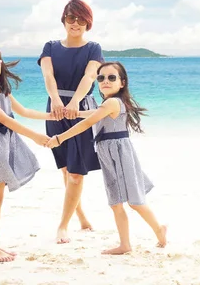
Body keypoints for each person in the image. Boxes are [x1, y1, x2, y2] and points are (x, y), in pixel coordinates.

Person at [47, 62, 167, 255]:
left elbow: (87, 123)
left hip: (118, 154)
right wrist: (70, 113)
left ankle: (158, 229)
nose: (105, 81)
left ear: (122, 82)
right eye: (101, 78)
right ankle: (125, 244)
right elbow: (92, 114)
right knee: (116, 202)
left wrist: (60, 138)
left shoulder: (112, 102)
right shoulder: (109, 103)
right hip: (109, 155)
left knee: (134, 201)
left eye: (112, 77)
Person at [0, 44, 50, 262]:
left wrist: (54, 117)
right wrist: (35, 137)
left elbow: (24, 112)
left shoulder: (3, 91)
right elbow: (5, 119)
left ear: (1, 64)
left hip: (2, 150)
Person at [37, 0, 105, 244]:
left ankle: (62, 226)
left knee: (77, 173)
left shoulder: (93, 48)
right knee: (66, 170)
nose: (75, 23)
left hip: (82, 111)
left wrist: (75, 102)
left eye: (80, 19)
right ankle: (82, 216)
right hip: (55, 111)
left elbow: (89, 77)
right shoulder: (50, 47)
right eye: (70, 18)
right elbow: (48, 75)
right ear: (64, 20)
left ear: (88, 22)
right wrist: (55, 100)